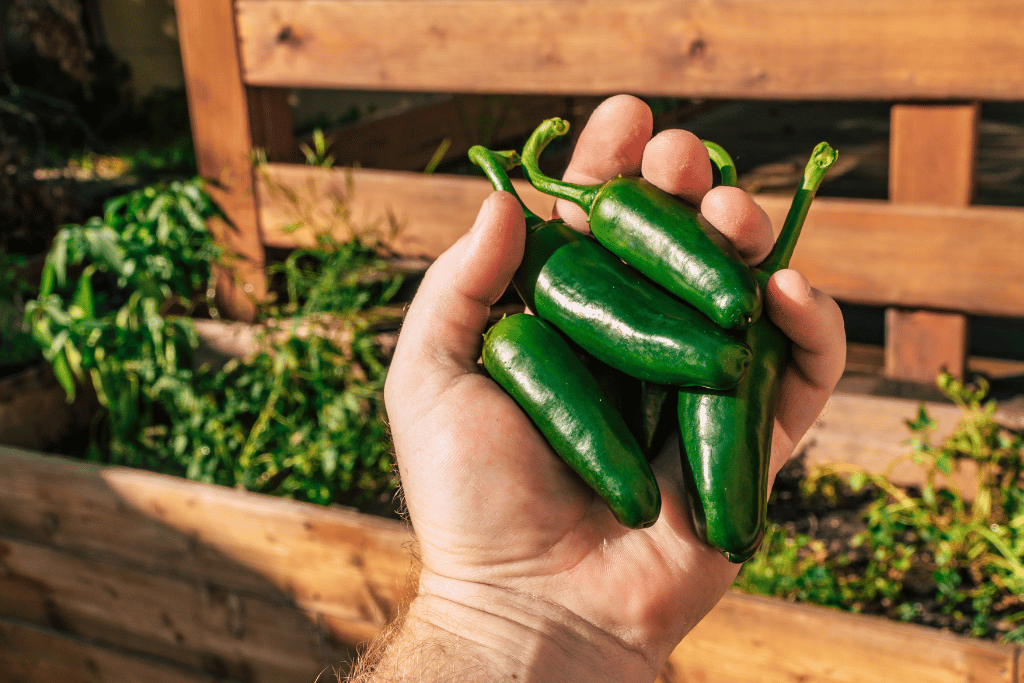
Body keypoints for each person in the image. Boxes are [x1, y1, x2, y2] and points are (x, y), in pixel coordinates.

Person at [359, 94, 846, 682]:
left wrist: (491, 617)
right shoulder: (524, 318)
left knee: (730, 300)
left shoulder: (542, 292)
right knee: (728, 307)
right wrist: (493, 603)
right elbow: (708, 322)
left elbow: (711, 316)